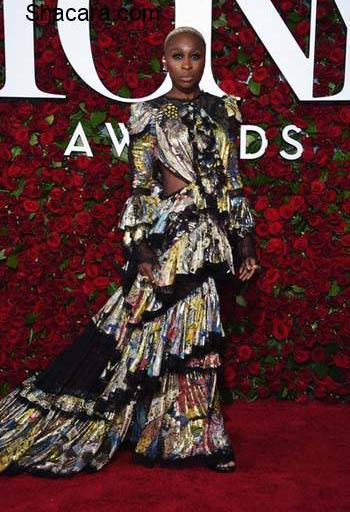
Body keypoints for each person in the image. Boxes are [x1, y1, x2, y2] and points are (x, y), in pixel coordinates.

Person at [0, 26, 258, 476]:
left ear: (204, 60)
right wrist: (141, 252)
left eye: (194, 57)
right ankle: (157, 432)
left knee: (199, 337)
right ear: (164, 61)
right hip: (168, 237)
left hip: (208, 241)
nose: (186, 65)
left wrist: (245, 243)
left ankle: (203, 435)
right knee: (151, 337)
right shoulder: (147, 114)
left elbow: (232, 184)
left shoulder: (223, 112)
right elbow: (141, 187)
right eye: (177, 56)